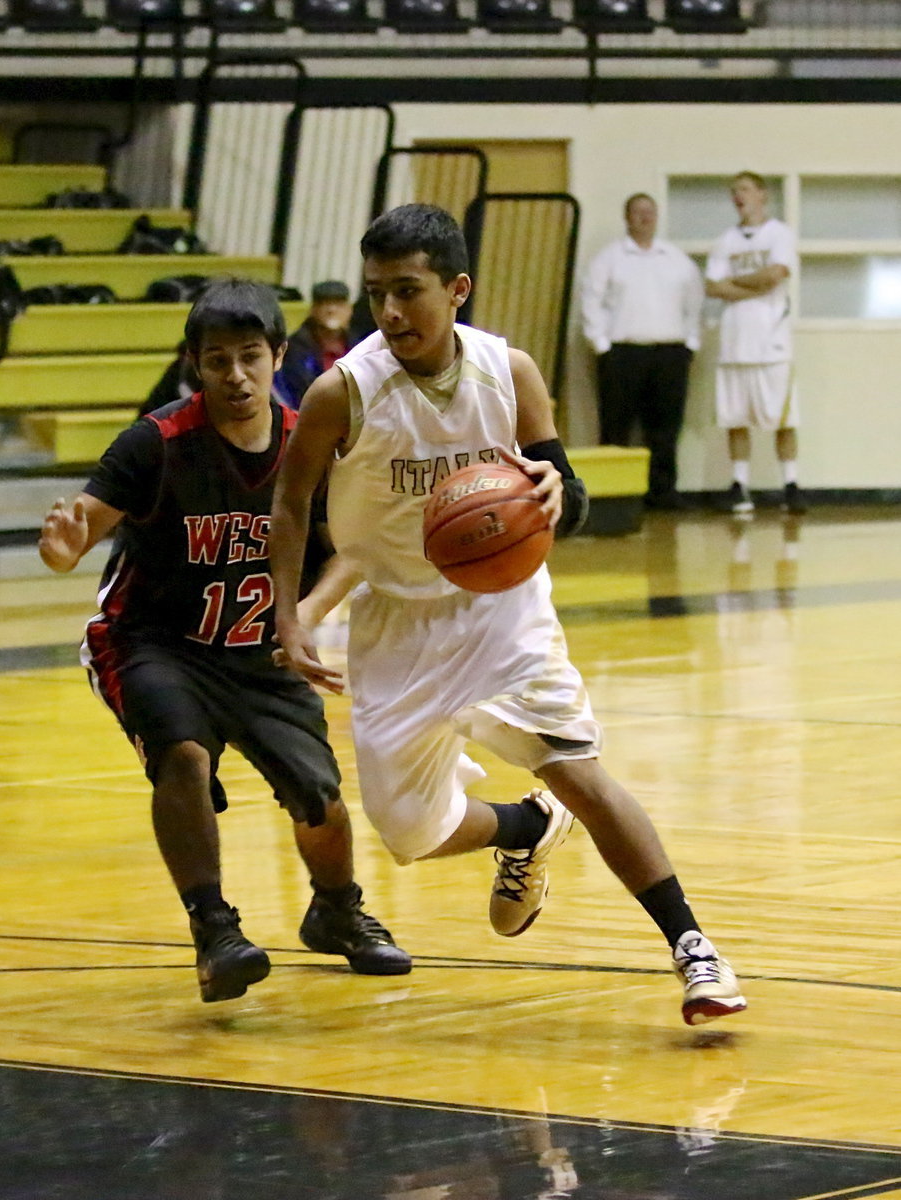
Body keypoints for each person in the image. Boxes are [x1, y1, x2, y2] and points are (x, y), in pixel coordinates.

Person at [270, 203, 747, 1026]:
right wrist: (289, 614)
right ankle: (525, 829)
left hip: (502, 611)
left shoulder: (509, 372)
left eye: (408, 291)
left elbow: (568, 495)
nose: (390, 311)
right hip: (397, 622)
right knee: (410, 833)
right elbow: (289, 503)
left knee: (578, 769)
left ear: (458, 289)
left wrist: (559, 493)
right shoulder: (341, 391)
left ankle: (694, 949)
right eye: (377, 293)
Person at [38, 277, 411, 1004]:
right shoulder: (155, 443)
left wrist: (302, 619)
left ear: (279, 356)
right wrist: (60, 549)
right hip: (153, 642)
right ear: (195, 365)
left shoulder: (311, 441)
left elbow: (351, 551)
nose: (235, 375)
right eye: (217, 361)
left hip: (260, 650)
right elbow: (79, 530)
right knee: (182, 755)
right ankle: (215, 931)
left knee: (319, 797)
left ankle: (336, 912)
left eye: (250, 357)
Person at [581, 193, 704, 511]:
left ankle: (662, 493)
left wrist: (690, 343)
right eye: (638, 212)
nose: (645, 217)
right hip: (622, 354)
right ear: (627, 217)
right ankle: (616, 497)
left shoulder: (677, 260)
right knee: (616, 426)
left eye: (650, 212)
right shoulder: (609, 259)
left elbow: (694, 304)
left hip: (670, 354)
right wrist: (601, 345)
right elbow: (591, 301)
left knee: (666, 429)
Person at [705, 171, 806, 516]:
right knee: (736, 418)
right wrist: (754, 285)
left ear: (762, 194)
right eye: (734, 191)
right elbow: (713, 287)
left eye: (745, 189)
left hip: (772, 344)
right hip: (735, 344)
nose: (739, 195)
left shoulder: (779, 234)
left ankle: (790, 484)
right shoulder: (725, 241)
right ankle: (739, 485)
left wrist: (734, 283)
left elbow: (774, 275)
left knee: (784, 418)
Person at [275, 279, 357, 410]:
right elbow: (299, 390)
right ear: (313, 310)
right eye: (325, 304)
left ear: (349, 310)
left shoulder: (359, 346)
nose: (332, 310)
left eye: (339, 304)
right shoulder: (295, 347)